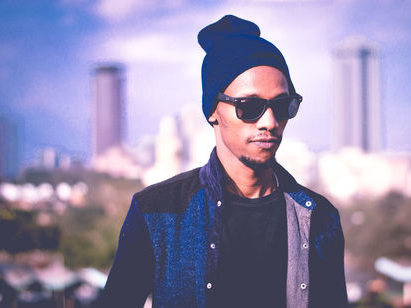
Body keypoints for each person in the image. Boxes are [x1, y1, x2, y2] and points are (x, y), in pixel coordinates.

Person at [101, 15, 348, 308]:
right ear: (213, 112)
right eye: (250, 107)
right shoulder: (156, 211)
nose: (269, 122)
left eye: (282, 105)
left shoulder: (319, 217)